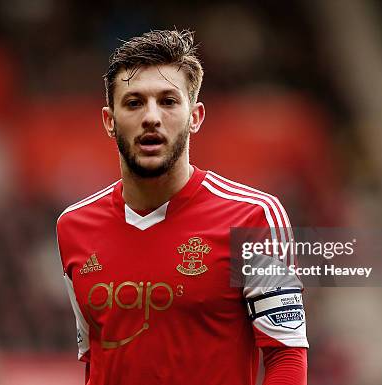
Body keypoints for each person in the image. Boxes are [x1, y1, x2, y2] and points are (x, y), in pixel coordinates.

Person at [56, 29, 308, 385]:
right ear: (109, 122)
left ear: (196, 116)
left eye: (169, 101)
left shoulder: (255, 217)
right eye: (134, 102)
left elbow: (286, 356)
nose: (151, 117)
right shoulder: (73, 226)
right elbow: (94, 358)